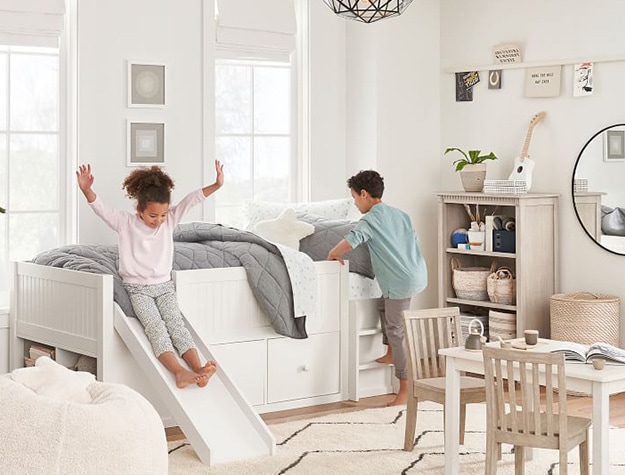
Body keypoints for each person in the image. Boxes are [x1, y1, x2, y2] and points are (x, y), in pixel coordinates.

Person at [76, 160, 225, 389]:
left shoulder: (169, 221)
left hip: (164, 286)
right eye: (153, 216)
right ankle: (178, 372)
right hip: (138, 289)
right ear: (140, 210)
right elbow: (102, 210)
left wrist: (216, 184)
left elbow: (191, 199)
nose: (159, 221)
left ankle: (197, 369)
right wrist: (87, 190)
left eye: (163, 215)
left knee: (177, 325)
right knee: (156, 328)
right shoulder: (126, 223)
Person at [327, 170, 427, 406]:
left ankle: (405, 388)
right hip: (414, 273)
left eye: (354, 197)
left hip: (400, 281)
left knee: (397, 329)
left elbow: (353, 239)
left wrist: (332, 253)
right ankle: (391, 351)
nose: (354, 202)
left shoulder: (370, 220)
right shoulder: (401, 215)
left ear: (364, 194)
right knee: (385, 306)